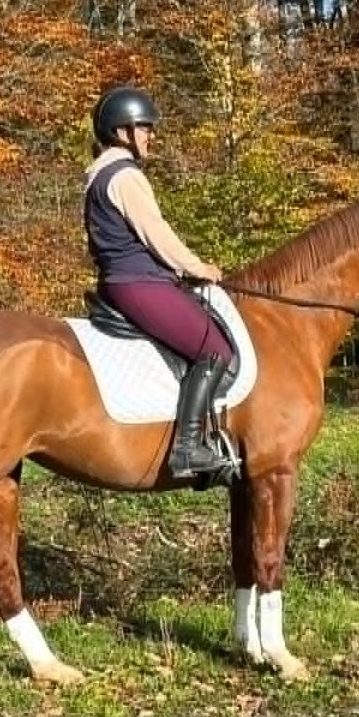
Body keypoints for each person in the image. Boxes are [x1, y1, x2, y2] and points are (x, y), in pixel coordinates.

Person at [84, 85, 234, 478]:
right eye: (144, 127)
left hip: (123, 281)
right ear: (122, 132)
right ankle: (187, 450)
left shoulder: (100, 175)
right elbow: (154, 230)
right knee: (214, 348)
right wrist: (195, 266)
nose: (152, 135)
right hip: (138, 282)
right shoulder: (125, 175)